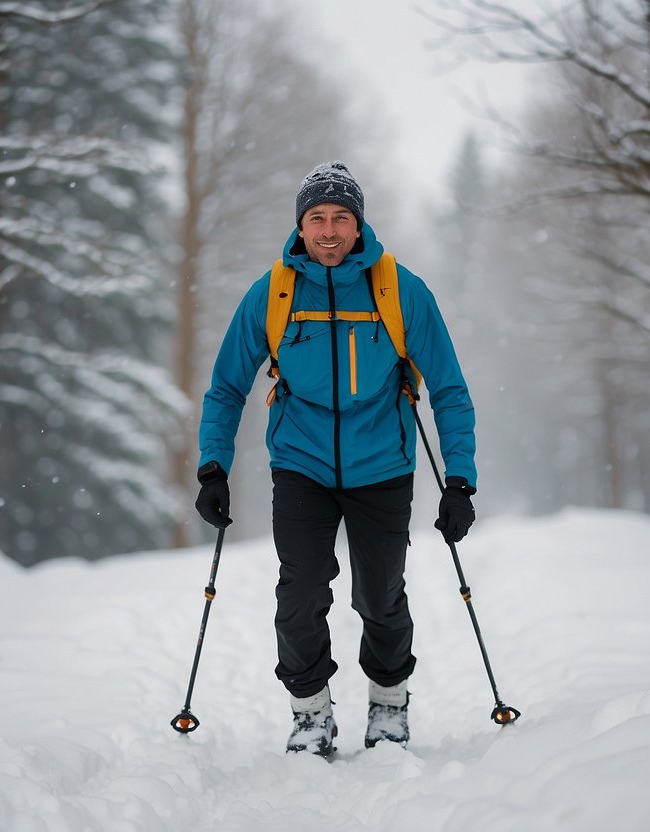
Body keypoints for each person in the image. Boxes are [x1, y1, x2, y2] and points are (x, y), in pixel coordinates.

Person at [194, 161, 477, 757]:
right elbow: (226, 386)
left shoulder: (399, 290)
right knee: (300, 592)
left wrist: (461, 481)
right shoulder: (272, 292)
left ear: (358, 224)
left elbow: (449, 388)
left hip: (384, 466)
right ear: (300, 226)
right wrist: (212, 467)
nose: (328, 229)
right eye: (316, 218)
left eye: (340, 218)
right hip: (301, 464)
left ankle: (389, 703)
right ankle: (310, 713)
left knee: (379, 595)